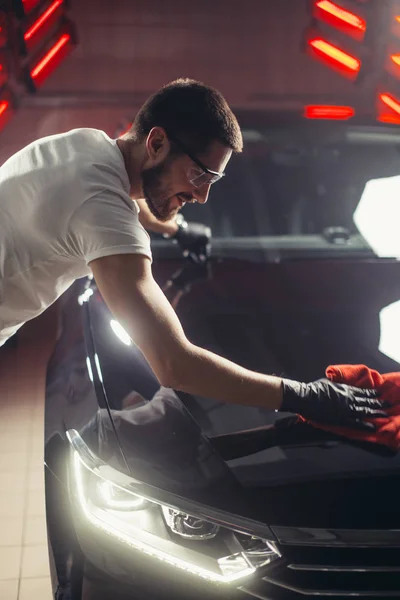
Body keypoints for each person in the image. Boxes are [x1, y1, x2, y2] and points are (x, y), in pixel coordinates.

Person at [0, 78, 388, 429]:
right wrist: (305, 396)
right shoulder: (101, 209)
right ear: (156, 143)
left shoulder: (89, 146)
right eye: (200, 175)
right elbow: (174, 365)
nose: (202, 196)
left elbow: (126, 200)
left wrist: (178, 229)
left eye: (213, 181)